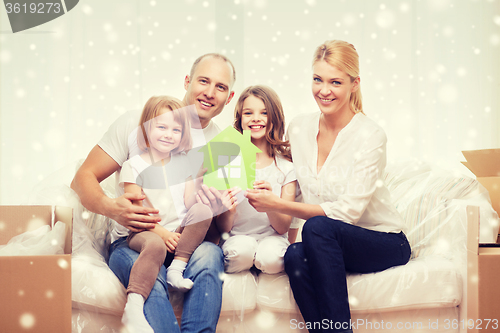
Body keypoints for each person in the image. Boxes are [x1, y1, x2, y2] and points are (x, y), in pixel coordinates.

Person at [245, 40, 411, 333]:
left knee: (317, 227)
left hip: (383, 241)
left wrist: (278, 204)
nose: (324, 90)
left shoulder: (370, 135)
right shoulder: (299, 128)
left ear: (354, 84)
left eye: (335, 82)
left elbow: (346, 214)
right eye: (317, 79)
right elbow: (290, 181)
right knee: (295, 254)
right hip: (328, 241)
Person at [71, 53, 236, 333]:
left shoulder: (222, 147)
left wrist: (224, 206)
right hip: (137, 239)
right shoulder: (139, 122)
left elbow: (218, 226)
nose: (209, 93)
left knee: (210, 255)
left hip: (187, 243)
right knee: (147, 270)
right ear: (187, 81)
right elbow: (83, 178)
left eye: (220, 87)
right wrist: (112, 207)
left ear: (229, 97)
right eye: (203, 81)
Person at [116, 96, 216, 332]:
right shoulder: (134, 165)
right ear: (146, 128)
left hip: (177, 234)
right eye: (161, 127)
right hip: (144, 230)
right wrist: (160, 232)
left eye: (176, 129)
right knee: (156, 246)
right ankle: (134, 304)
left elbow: (190, 203)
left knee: (203, 210)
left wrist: (199, 178)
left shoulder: (184, 163)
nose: (168, 134)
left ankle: (176, 268)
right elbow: (135, 210)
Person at [216, 85, 297, 274]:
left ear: (275, 118)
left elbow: (283, 226)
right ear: (240, 119)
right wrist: (229, 209)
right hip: (237, 237)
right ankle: (249, 258)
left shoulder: (286, 167)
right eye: (248, 113)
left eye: (264, 113)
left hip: (273, 239)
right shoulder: (227, 162)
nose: (255, 119)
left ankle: (259, 260)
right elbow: (222, 227)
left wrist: (270, 204)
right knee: (242, 251)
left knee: (271, 259)